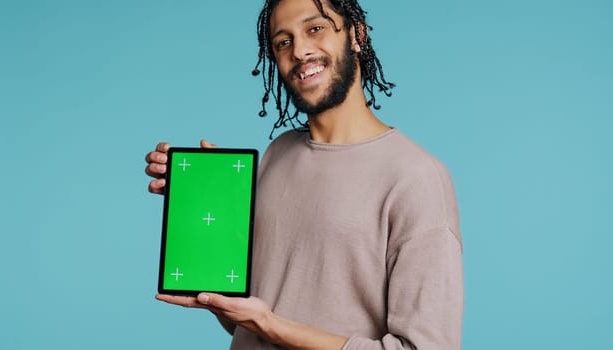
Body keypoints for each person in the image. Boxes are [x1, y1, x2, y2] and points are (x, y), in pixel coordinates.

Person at [145, 0, 463, 349]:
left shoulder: (416, 177)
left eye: (315, 28)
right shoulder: (278, 154)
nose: (299, 50)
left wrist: (269, 324)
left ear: (357, 35)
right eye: (283, 41)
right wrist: (209, 200)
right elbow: (255, 318)